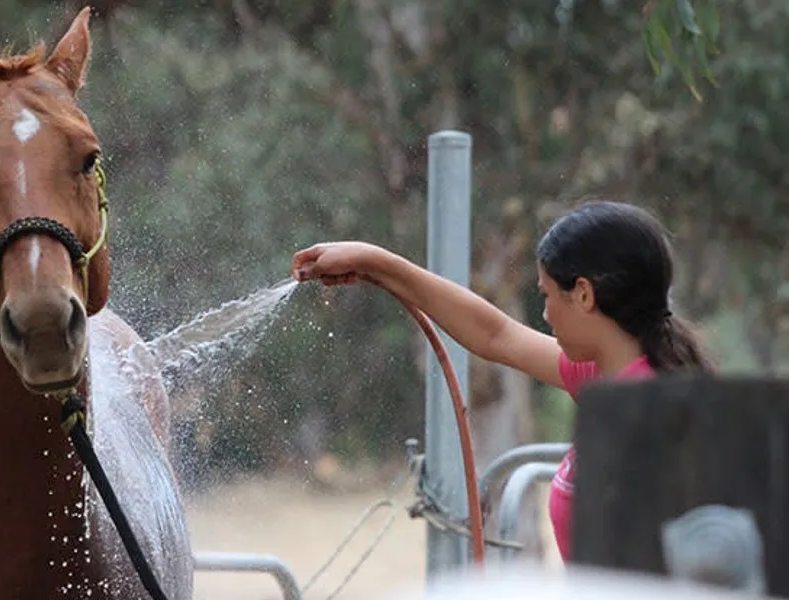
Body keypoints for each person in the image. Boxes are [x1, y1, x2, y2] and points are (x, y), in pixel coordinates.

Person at [290, 200, 715, 561]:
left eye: (547, 295)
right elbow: (496, 335)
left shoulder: (648, 416)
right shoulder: (606, 379)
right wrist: (375, 264)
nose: (545, 314)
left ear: (584, 294)